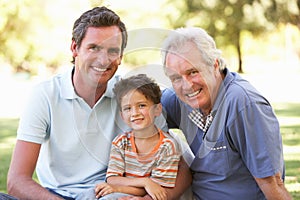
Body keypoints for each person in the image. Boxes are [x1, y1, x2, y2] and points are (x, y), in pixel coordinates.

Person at [5, 7, 191, 200]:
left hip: (110, 194)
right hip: (55, 196)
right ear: (74, 48)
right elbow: (17, 180)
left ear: (120, 56)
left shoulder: (134, 96)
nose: (103, 60)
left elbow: (181, 167)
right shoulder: (44, 95)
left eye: (112, 51)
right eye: (94, 48)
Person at [160, 27, 292, 200]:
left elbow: (272, 184)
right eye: (176, 78)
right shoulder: (178, 100)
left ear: (214, 64)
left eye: (193, 72)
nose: (186, 85)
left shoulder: (243, 104)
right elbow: (137, 111)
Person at [77, 74, 181, 200]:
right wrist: (145, 182)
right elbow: (112, 179)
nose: (135, 113)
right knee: (87, 194)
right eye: (128, 108)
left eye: (141, 105)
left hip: (142, 197)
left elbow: (157, 190)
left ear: (157, 109)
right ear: (122, 116)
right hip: (121, 190)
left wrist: (118, 188)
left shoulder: (168, 146)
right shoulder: (121, 142)